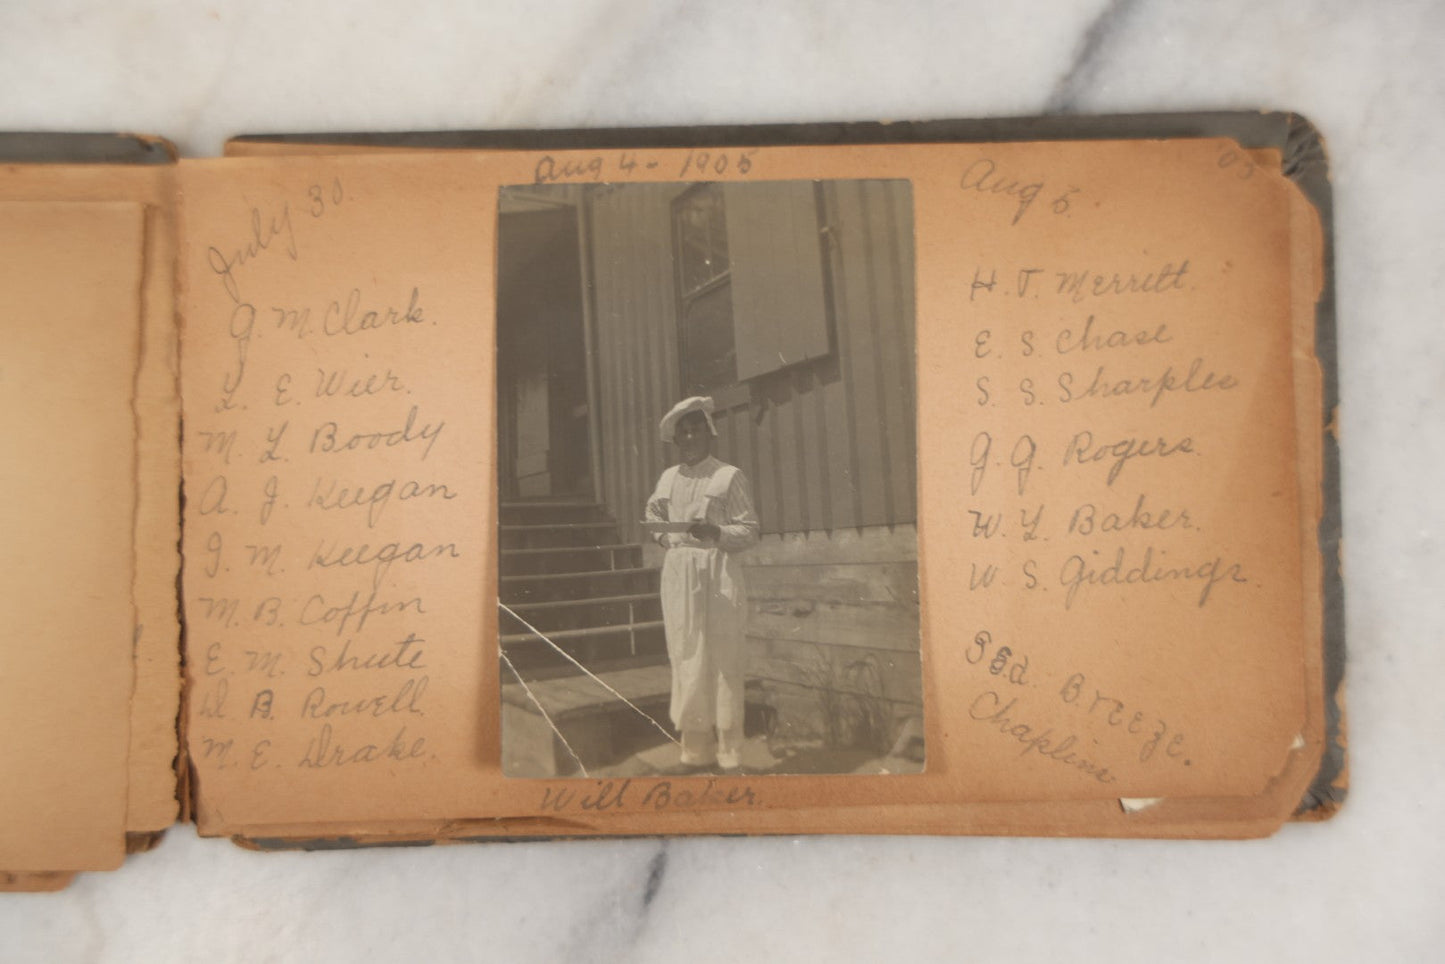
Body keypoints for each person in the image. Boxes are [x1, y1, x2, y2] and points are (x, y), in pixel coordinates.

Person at [645, 396, 759, 771]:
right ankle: (695, 749)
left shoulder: (728, 476)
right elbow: (653, 517)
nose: (690, 436)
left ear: (709, 433)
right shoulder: (667, 479)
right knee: (687, 655)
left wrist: (716, 531)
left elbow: (749, 530)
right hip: (679, 575)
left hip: (718, 573)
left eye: (696, 428)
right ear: (676, 439)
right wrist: (666, 540)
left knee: (724, 657)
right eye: (684, 431)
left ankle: (730, 751)